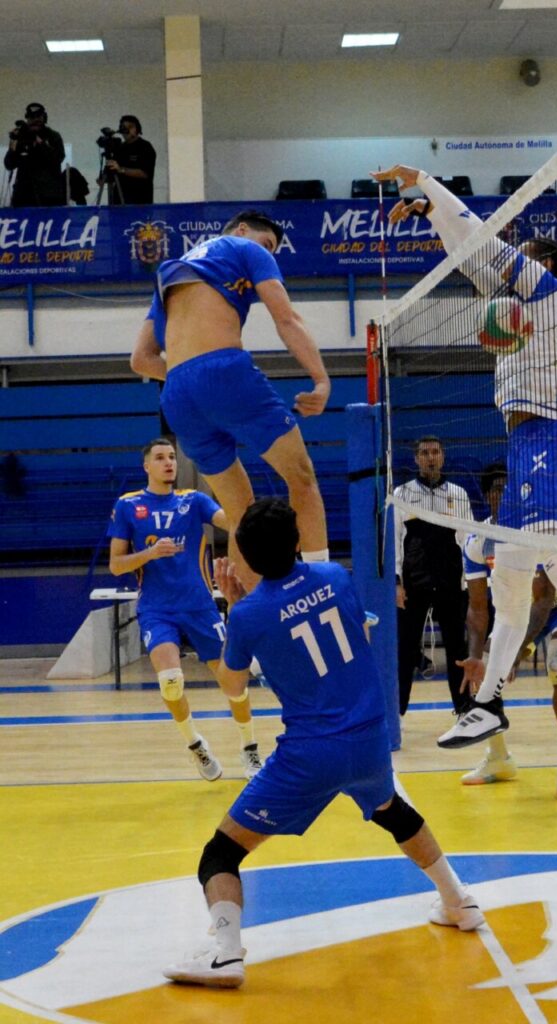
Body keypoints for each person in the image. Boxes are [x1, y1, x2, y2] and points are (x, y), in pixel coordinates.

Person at [162, 498, 484, 989]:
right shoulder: (336, 577)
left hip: (310, 753)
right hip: (371, 737)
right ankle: (459, 901)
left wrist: (233, 606)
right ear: (296, 542)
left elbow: (232, 683)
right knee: (391, 811)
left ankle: (225, 955)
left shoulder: (249, 614)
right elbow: (341, 629)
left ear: (246, 557)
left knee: (220, 854)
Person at [372, 164, 557, 753]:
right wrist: (430, 212)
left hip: (549, 441)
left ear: (545, 266)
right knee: (519, 583)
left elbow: (482, 240)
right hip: (528, 445)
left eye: (523, 255)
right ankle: (490, 705)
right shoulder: (517, 303)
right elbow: (470, 255)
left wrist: (424, 181)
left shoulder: (551, 296)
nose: (512, 260)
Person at [130, 208, 330, 590]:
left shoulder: (171, 273)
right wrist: (320, 379)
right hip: (224, 372)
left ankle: (250, 616)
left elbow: (141, 360)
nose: (268, 252)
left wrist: (191, 377)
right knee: (301, 478)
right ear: (242, 230)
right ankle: (322, 587)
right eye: (267, 243)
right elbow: (287, 319)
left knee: (240, 514)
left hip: (177, 396)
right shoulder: (244, 248)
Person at [108, 437, 262, 781]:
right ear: (146, 466)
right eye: (160, 458)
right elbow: (116, 565)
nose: (169, 463)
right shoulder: (128, 505)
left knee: (233, 683)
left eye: (172, 457)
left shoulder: (193, 500)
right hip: (157, 609)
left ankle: (249, 747)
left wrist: (240, 499)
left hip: (200, 606)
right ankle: (196, 745)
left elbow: (232, 521)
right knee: (170, 682)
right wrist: (150, 553)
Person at [459, 463, 557, 797]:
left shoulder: (536, 529)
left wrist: (516, 652)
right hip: (515, 611)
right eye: (498, 489)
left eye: (510, 488)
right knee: (484, 670)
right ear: (488, 496)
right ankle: (498, 759)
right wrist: (475, 656)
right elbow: (477, 606)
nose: (506, 495)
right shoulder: (477, 539)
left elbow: (543, 600)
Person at [394, 436, 472, 717]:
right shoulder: (402, 493)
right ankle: (397, 712)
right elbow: (395, 540)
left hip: (451, 582)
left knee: (458, 650)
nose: (430, 457)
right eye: (425, 453)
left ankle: (463, 708)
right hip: (414, 584)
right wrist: (397, 582)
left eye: (435, 452)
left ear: (443, 456)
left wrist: (468, 582)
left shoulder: (458, 494)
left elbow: (467, 540)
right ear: (416, 458)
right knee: (405, 650)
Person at [4, 102, 65, 207]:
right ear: (27, 119)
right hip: (23, 196)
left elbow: (58, 159)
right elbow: (9, 164)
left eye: (38, 117)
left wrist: (39, 142)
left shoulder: (53, 136)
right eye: (32, 118)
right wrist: (14, 141)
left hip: (48, 196)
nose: (35, 121)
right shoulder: (21, 137)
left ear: (44, 118)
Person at [100, 115, 156, 205]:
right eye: (123, 127)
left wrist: (121, 169)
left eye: (130, 127)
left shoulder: (145, 147)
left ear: (137, 129)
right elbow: (113, 170)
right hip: (119, 200)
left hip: (140, 201)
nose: (126, 130)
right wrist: (104, 178)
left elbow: (145, 173)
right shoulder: (119, 148)